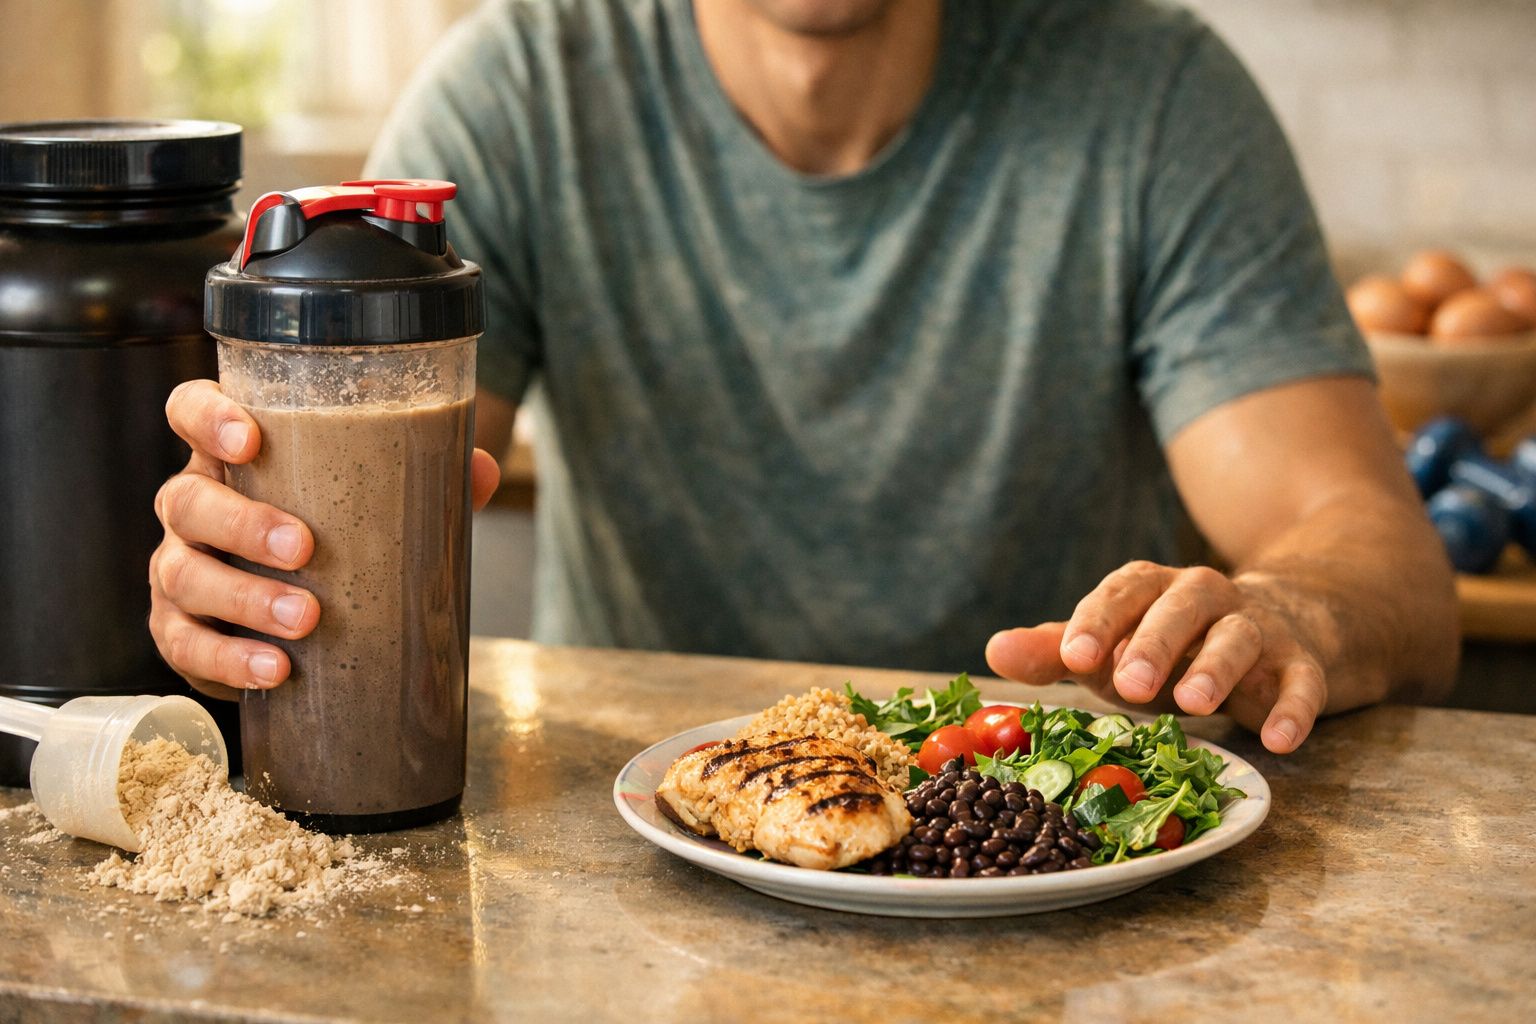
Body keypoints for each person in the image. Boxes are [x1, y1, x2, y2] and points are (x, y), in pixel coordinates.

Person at [148, 0, 1459, 755]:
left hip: (1053, 847)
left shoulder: (1156, 94)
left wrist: (1292, 612)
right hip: (639, 850)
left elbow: (1372, 549)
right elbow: (344, 529)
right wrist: (247, 567)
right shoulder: (522, 91)